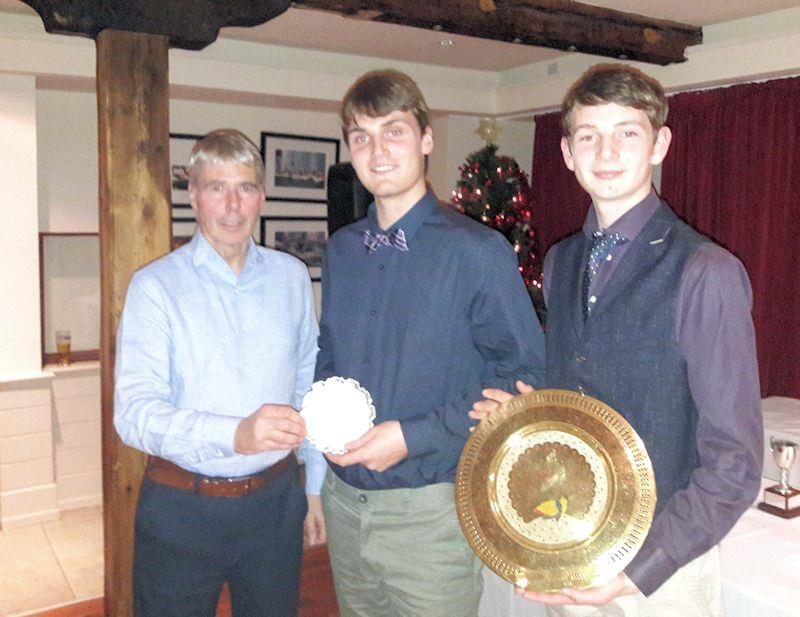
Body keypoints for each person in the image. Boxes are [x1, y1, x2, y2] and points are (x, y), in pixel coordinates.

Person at [472, 64, 763, 616]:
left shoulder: (705, 271)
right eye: (589, 136)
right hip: (570, 543)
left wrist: (639, 569)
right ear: (566, 153)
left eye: (627, 132)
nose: (606, 152)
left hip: (659, 572)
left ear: (660, 144)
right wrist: (530, 415)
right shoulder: (561, 261)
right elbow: (582, 394)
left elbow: (735, 465)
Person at [315, 69, 546, 616]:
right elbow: (330, 355)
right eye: (361, 137)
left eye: (393, 131)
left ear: (425, 139)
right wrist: (323, 419)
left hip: (431, 513)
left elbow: (524, 376)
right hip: (345, 502)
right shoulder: (343, 250)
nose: (377, 150)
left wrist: (413, 436)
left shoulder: (477, 250)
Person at [114, 129, 327, 617]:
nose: (232, 205)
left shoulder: (290, 277)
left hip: (275, 505)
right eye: (217, 188)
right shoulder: (154, 288)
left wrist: (313, 488)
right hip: (180, 511)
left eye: (246, 188)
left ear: (261, 196)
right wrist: (237, 434)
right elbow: (133, 415)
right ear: (193, 194)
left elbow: (308, 384)